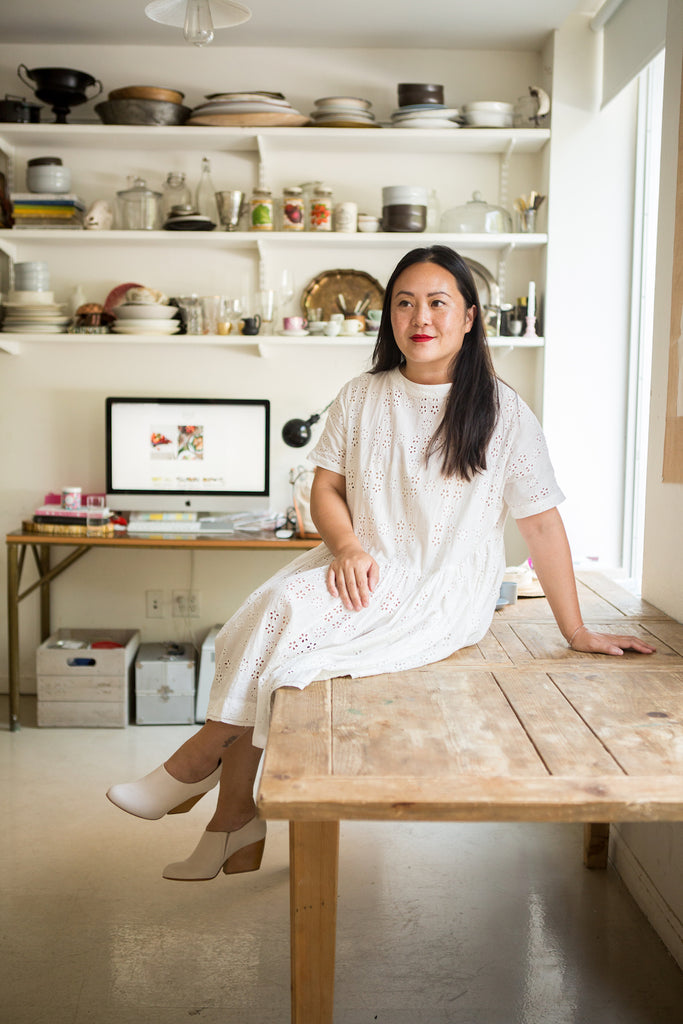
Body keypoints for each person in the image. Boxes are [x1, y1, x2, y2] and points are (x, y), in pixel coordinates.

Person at [107, 245, 655, 880]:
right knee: (256, 621)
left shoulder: (503, 412)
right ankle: (233, 821)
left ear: (470, 317)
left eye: (438, 302)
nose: (420, 316)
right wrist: (347, 548)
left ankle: (197, 767)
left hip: (439, 582)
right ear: (389, 316)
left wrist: (577, 631)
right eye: (404, 302)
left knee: (286, 619)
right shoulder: (362, 395)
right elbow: (327, 489)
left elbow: (541, 523)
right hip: (359, 560)